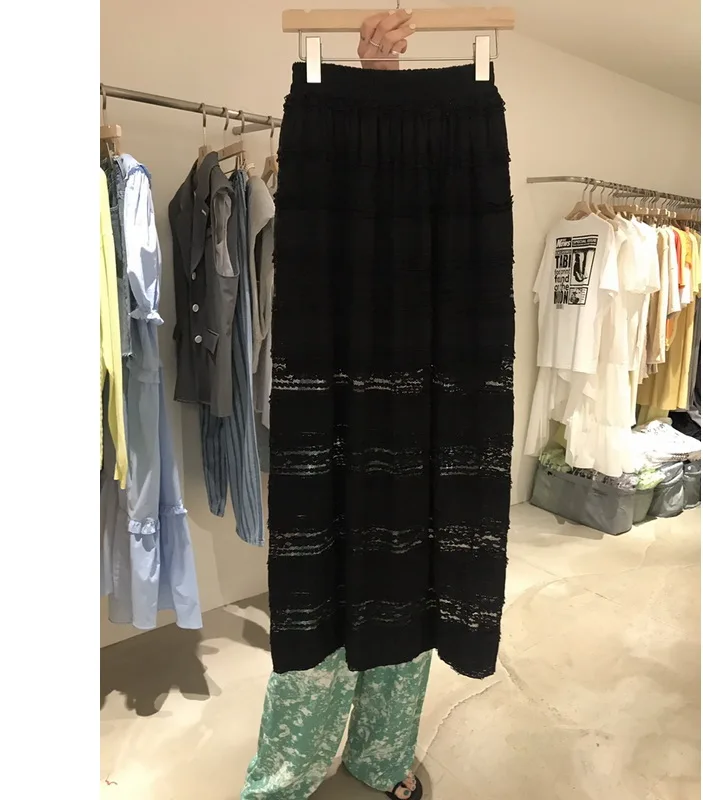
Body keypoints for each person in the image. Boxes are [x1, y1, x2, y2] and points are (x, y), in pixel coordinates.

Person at [240, 16, 430, 800]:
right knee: (321, 593)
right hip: (330, 404)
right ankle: (287, 777)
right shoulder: (318, 200)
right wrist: (371, 71)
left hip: (411, 404)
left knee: (404, 581)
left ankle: (380, 756)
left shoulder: (433, 220)